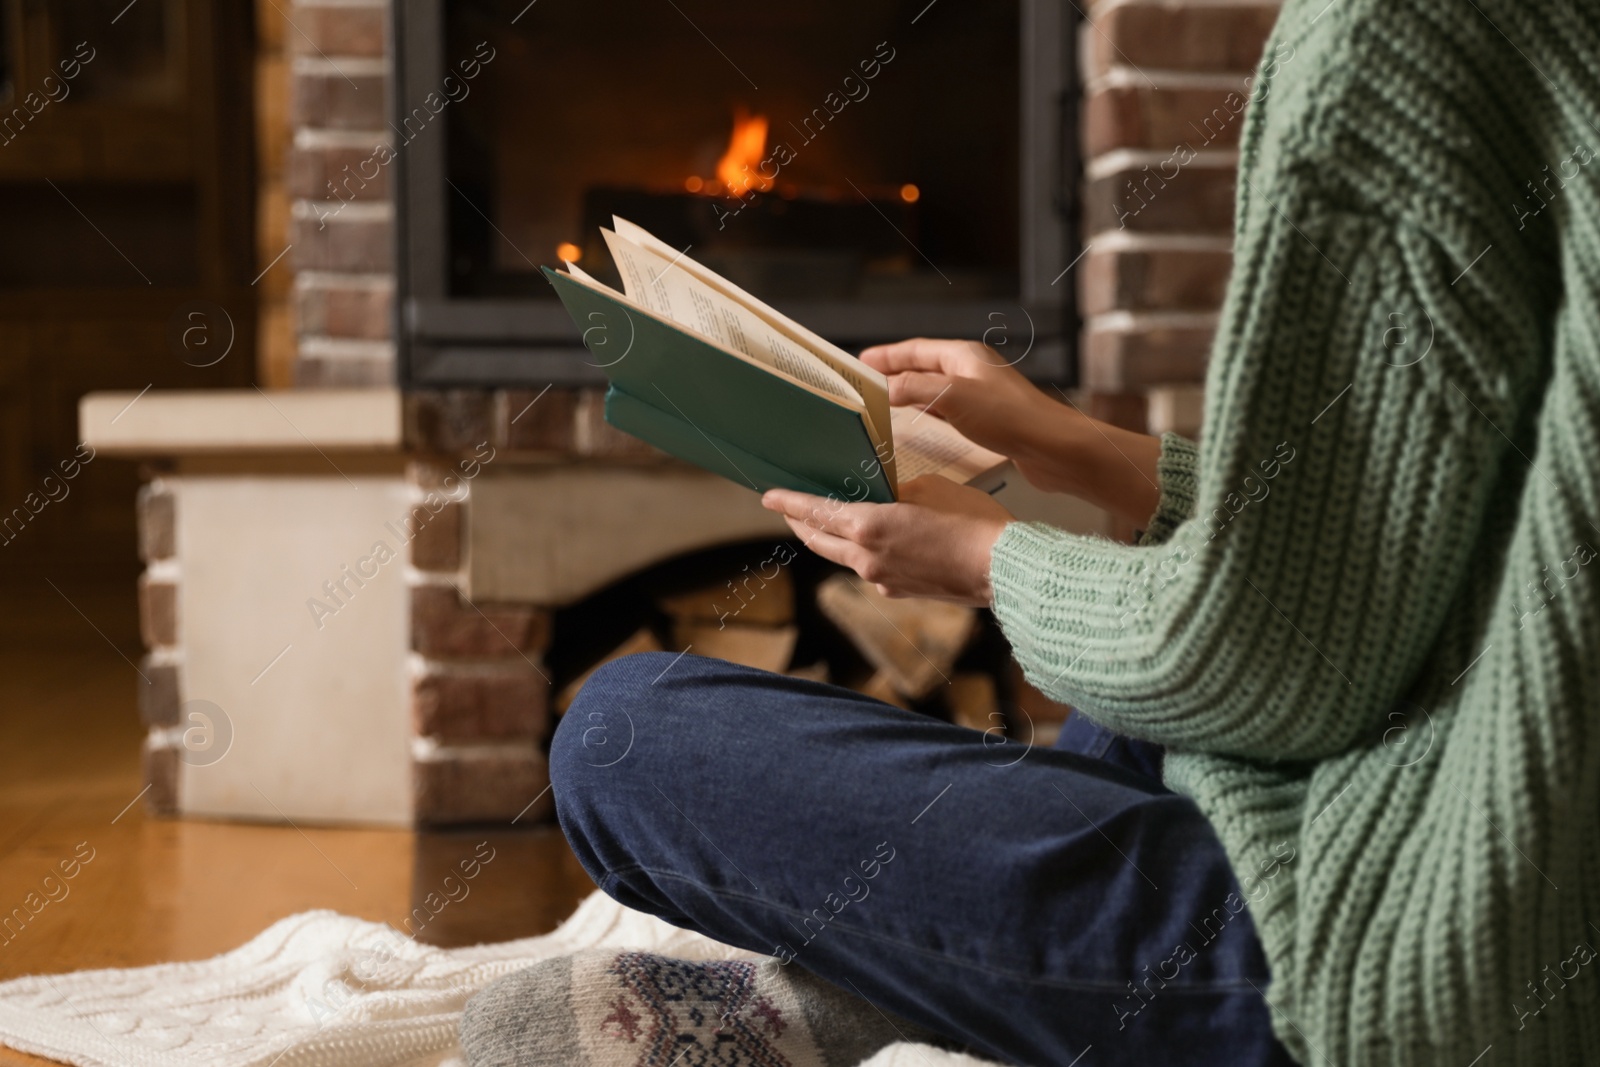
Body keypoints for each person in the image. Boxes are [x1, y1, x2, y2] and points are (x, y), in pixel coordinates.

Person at [465, 0, 1599, 1063]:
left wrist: (982, 556)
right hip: (1450, 792)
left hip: (1422, 952)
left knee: (619, 735)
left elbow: (1267, 661)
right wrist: (1074, 446)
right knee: (1127, 695)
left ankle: (880, 997)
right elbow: (1417, 540)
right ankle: (935, 981)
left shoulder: (1398, 40)